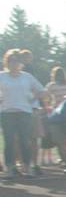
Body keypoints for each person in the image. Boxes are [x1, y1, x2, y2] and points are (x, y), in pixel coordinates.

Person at [1, 49, 45, 179]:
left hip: (24, 112)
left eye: (16, 61)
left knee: (24, 140)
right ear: (6, 62)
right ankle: (10, 167)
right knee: (9, 141)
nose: (13, 63)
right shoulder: (2, 76)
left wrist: (33, 98)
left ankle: (26, 166)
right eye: (11, 61)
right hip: (7, 112)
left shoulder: (27, 76)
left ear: (20, 63)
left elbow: (42, 90)